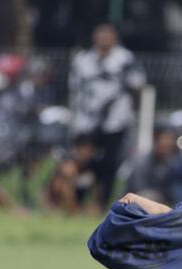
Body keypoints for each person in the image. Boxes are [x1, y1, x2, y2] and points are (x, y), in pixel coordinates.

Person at [69, 22, 146, 208]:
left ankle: (102, 204)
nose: (103, 37)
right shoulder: (83, 59)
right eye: (100, 32)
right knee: (84, 163)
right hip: (87, 122)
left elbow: (138, 87)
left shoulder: (126, 60)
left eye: (108, 33)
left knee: (109, 164)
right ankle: (76, 203)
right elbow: (75, 89)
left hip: (115, 122)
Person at [125, 127, 180, 204]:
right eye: (165, 138)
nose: (168, 142)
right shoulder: (141, 161)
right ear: (156, 139)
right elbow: (138, 190)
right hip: (138, 203)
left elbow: (172, 192)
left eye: (171, 139)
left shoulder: (171, 163)